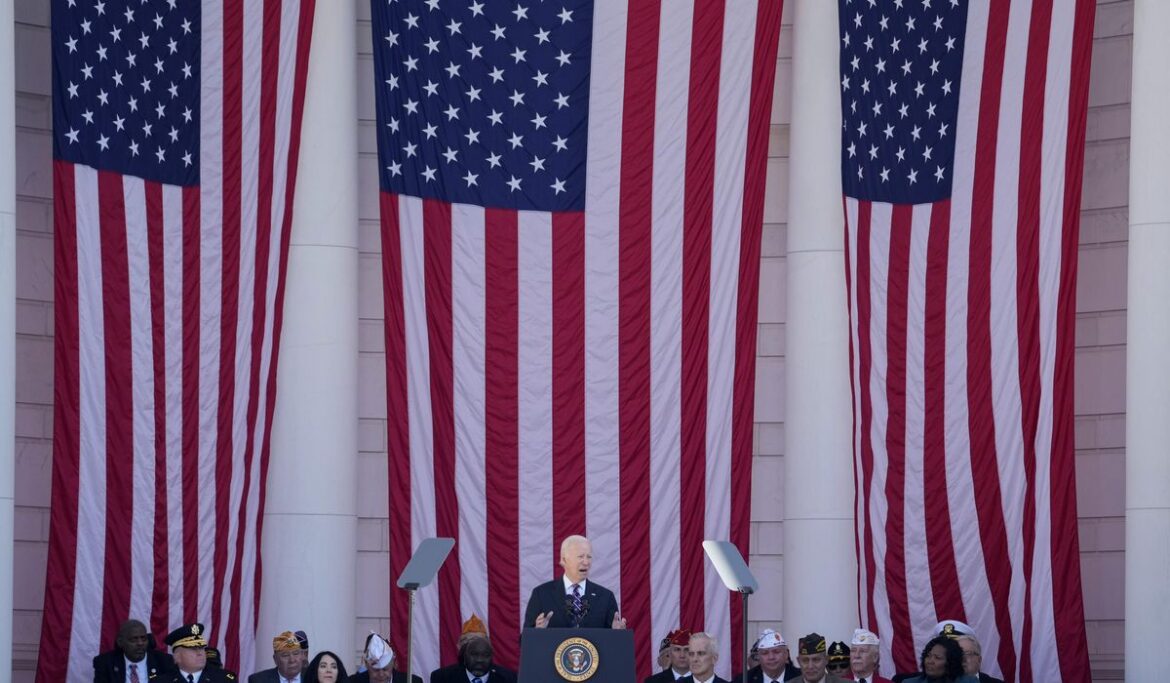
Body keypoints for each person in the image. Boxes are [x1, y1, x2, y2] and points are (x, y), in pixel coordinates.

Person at [523, 535, 626, 629]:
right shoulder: (541, 594)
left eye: (589, 557)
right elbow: (525, 641)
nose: (586, 562)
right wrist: (536, 631)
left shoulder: (605, 597)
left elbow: (615, 644)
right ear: (564, 560)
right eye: (580, 557)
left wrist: (617, 633)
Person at [429, 620, 516, 683]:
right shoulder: (442, 678)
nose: (479, 659)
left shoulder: (509, 678)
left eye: (479, 641)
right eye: (469, 642)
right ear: (461, 647)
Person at [93, 619, 176, 683]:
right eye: (133, 639)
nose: (140, 643)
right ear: (120, 642)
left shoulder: (165, 661)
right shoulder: (105, 663)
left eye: (143, 639)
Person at [161, 623, 237, 683]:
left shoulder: (225, 680)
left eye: (201, 648)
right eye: (193, 649)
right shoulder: (161, 681)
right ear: (177, 657)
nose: (200, 653)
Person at [349, 633, 423, 683]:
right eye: (376, 670)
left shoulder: (411, 681)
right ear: (367, 665)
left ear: (393, 663)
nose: (381, 674)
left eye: (385, 669)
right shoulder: (352, 681)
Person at [900, 637, 977, 683]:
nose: (930, 661)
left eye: (937, 657)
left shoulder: (970, 681)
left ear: (950, 662)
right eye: (928, 656)